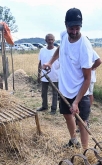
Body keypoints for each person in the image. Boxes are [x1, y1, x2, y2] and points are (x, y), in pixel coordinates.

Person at [43, 8, 94, 151]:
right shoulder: (64, 35)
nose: (74, 32)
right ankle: (73, 140)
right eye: (71, 28)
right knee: (66, 115)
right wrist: (50, 62)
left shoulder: (84, 47)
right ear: (66, 25)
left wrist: (77, 102)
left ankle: (85, 152)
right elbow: (61, 47)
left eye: (77, 28)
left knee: (82, 122)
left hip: (80, 91)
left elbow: (87, 79)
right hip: (64, 88)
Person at [37, 34, 60, 115]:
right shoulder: (42, 50)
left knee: (55, 93)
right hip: (44, 76)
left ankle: (53, 109)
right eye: (48, 39)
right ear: (45, 40)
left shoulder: (57, 51)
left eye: (52, 39)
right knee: (44, 92)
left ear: (54, 40)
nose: (50, 41)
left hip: (55, 75)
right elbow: (40, 63)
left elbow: (62, 64)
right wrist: (39, 74)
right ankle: (44, 106)